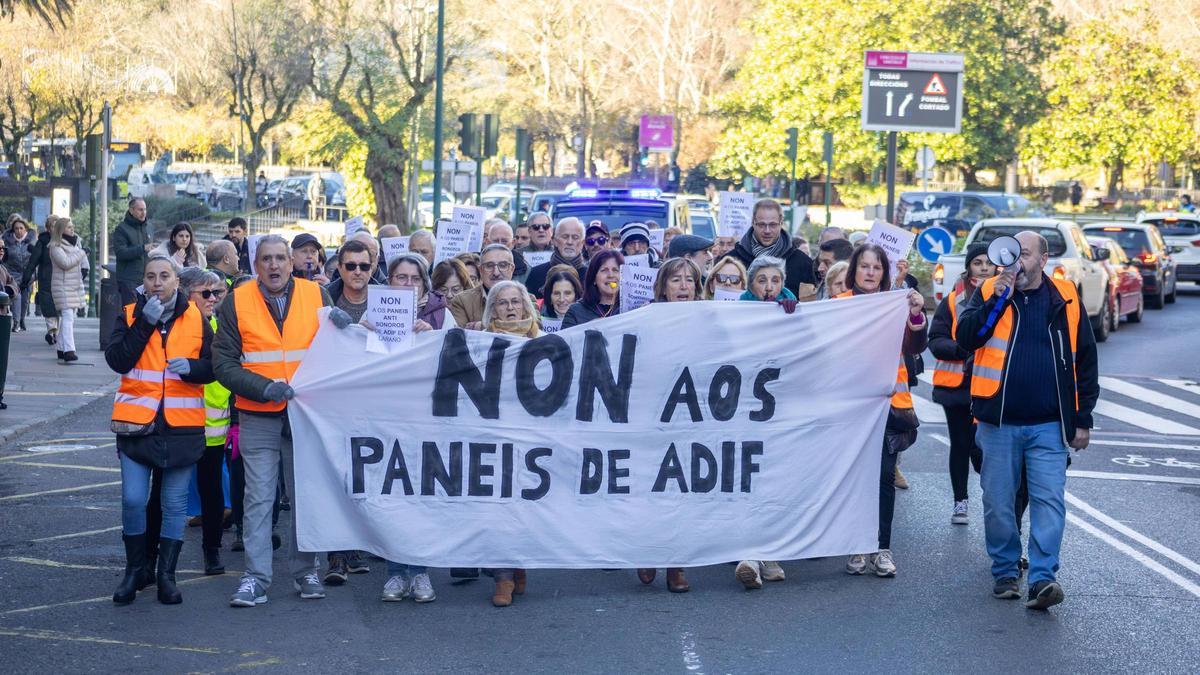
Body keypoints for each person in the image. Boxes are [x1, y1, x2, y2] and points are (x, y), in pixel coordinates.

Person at [955, 231, 1098, 610]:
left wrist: (1082, 419)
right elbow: (967, 337)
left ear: (1043, 259)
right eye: (1011, 254)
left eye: (1025, 255)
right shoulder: (990, 290)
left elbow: (1085, 359)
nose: (1016, 262)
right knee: (999, 503)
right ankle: (1005, 570)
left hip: (1049, 423)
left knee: (1049, 502)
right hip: (998, 422)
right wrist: (998, 298)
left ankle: (1042, 579)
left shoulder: (1064, 295)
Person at [213, 235, 336, 607]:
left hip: (305, 414)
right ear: (256, 265)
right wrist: (264, 388)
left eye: (281, 258)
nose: (274, 265)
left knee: (305, 499)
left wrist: (348, 328)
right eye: (266, 259)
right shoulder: (237, 301)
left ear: (292, 261)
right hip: (258, 413)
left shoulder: (318, 296)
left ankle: (306, 571)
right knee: (258, 499)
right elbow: (223, 364)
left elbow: (339, 350)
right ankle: (255, 578)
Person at [106, 255, 215, 605]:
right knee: (133, 499)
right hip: (137, 425)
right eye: (151, 276)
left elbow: (215, 365)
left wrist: (193, 368)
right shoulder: (129, 314)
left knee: (174, 503)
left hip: (181, 428)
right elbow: (118, 360)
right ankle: (135, 571)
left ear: (176, 281)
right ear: (144, 281)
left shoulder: (196, 317)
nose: (157, 282)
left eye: (164, 276)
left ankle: (167, 575)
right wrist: (144, 324)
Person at [836, 244, 927, 580]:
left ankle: (881, 547)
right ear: (854, 270)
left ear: (884, 272)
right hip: (850, 406)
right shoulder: (839, 304)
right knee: (853, 478)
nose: (870, 272)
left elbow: (915, 346)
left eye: (877, 267)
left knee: (884, 477)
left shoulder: (895, 303)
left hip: (889, 406)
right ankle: (856, 544)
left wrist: (915, 314)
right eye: (865, 266)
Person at [478, 279, 543, 606]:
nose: (510, 308)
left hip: (532, 437)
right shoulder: (479, 343)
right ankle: (502, 576)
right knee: (497, 507)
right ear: (493, 310)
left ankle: (519, 563)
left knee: (525, 507)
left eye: (515, 301)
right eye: (502, 303)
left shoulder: (543, 341)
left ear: (526, 305)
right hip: (494, 435)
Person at [929, 243, 992, 526]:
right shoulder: (953, 300)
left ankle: (994, 498)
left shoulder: (1006, 297)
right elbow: (935, 340)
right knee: (960, 444)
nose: (984, 268)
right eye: (978, 262)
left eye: (988, 263)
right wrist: (962, 349)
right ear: (968, 267)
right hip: (956, 388)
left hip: (990, 387)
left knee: (982, 448)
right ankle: (960, 501)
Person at [177, 267, 229, 575]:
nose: (213, 299)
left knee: (211, 489)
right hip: (180, 420)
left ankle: (212, 550)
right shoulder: (179, 328)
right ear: (186, 294)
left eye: (216, 293)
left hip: (213, 421)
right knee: (170, 491)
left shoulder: (219, 326)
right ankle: (159, 556)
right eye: (206, 293)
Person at [720, 198, 816, 300]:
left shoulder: (803, 263)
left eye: (772, 225)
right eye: (762, 224)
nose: (767, 230)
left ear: (781, 223)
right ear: (753, 222)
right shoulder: (731, 260)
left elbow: (809, 303)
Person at [48, 217, 87, 363]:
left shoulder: (75, 244)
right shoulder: (55, 246)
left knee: (69, 317)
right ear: (61, 229)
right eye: (69, 227)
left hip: (73, 286)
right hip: (62, 287)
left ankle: (61, 348)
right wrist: (82, 253)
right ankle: (69, 350)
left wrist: (81, 253)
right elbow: (65, 263)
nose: (72, 229)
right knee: (68, 316)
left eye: (72, 226)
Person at [449, 244, 515, 329]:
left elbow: (531, 330)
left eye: (503, 265)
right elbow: (460, 334)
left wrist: (481, 326)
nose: (496, 273)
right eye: (489, 266)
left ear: (512, 269)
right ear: (480, 270)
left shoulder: (526, 299)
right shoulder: (462, 301)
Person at [386, 252, 456, 331]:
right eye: (402, 277)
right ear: (389, 281)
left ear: (424, 283)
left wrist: (430, 334)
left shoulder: (443, 314)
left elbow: (452, 339)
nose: (409, 284)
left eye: (416, 279)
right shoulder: (377, 310)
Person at [524, 217, 586, 298]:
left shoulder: (590, 275)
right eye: (565, 237)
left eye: (575, 237)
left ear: (582, 243)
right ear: (554, 241)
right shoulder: (536, 274)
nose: (570, 242)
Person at [22, 215, 60, 346]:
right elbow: (32, 263)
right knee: (48, 306)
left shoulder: (65, 241)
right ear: (48, 228)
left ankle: (56, 332)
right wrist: (25, 280)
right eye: (52, 226)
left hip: (61, 280)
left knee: (59, 308)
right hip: (46, 279)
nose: (55, 229)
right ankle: (51, 332)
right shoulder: (42, 242)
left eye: (57, 226)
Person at [561, 249, 623, 327]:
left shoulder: (631, 310)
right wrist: (589, 327)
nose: (610, 275)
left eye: (615, 270)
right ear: (593, 278)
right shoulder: (575, 311)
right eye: (604, 270)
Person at [325, 239, 376, 326]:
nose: (358, 272)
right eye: (350, 266)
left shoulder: (386, 302)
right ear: (339, 268)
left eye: (364, 266)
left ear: (371, 268)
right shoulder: (323, 298)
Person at [114, 198, 153, 303]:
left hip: (147, 279)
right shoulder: (121, 229)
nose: (143, 213)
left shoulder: (149, 227)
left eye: (145, 209)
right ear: (131, 210)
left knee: (146, 311)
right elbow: (121, 253)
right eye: (140, 210)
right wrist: (142, 248)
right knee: (131, 311)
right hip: (129, 280)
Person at [3, 214, 35, 332]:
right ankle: (16, 323)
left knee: (25, 299)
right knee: (17, 297)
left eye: (21, 228)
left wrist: (34, 274)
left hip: (27, 274)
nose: (19, 231)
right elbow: (4, 258)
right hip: (13, 273)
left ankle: (22, 319)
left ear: (25, 229)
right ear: (13, 230)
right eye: (16, 228)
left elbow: (36, 259)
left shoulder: (32, 241)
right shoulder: (7, 241)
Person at [484, 219, 528, 284]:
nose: (500, 245)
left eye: (504, 241)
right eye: (495, 241)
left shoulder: (526, 271)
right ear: (487, 242)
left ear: (513, 243)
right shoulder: (476, 266)